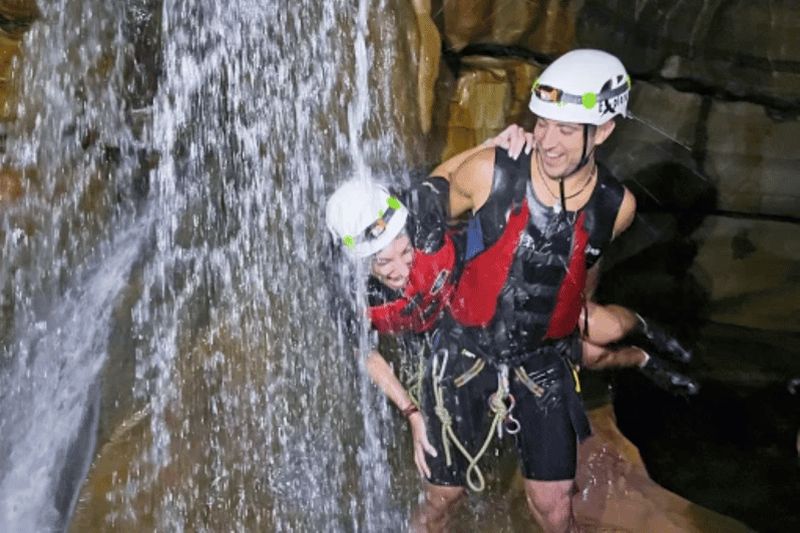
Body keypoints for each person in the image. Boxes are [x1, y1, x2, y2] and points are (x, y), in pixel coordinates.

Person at [325, 130, 695, 532]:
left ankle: (642, 334)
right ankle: (640, 358)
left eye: (404, 252)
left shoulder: (421, 213)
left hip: (486, 292)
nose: (401, 269)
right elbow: (365, 352)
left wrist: (494, 142)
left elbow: (452, 175)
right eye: (384, 263)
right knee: (590, 356)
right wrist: (412, 412)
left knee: (598, 333)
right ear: (359, 260)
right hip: (447, 335)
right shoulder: (350, 292)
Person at [426, 48, 679, 532]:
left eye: (565, 129)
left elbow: (586, 265)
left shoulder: (617, 206)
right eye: (542, 124)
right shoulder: (493, 170)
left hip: (541, 363)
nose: (547, 141)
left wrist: (571, 318)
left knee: (556, 506)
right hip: (465, 352)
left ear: (602, 132)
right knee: (443, 498)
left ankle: (646, 346)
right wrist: (484, 148)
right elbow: (424, 206)